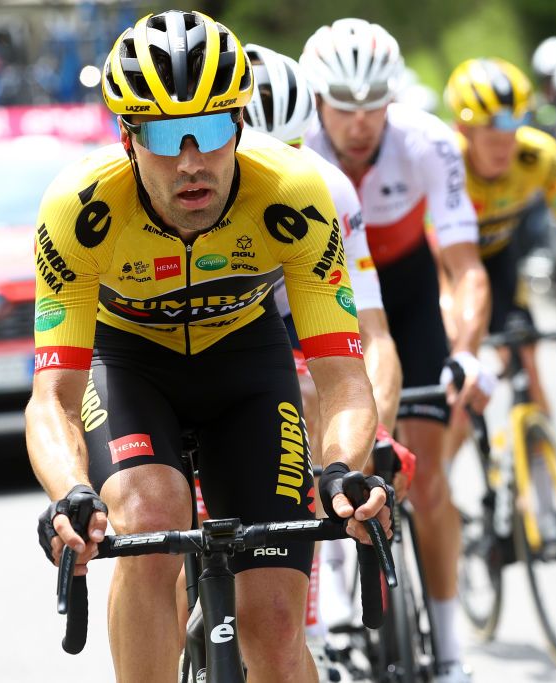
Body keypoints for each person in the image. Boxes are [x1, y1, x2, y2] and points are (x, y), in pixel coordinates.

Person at [29, 10, 391, 682]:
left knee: (278, 627)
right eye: (166, 134)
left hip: (244, 364)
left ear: (242, 125)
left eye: (215, 127)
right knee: (148, 514)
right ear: (127, 135)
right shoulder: (78, 208)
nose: (191, 160)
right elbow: (51, 395)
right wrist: (71, 489)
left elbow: (344, 379)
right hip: (130, 365)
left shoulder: (296, 192)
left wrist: (341, 467)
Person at [300, 18, 493, 683]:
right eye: (344, 106)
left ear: (394, 98)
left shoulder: (427, 141)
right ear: (317, 100)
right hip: (327, 292)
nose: (360, 122)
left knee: (430, 480)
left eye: (373, 104)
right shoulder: (296, 148)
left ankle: (448, 651)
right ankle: (324, 572)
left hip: (406, 293)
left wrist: (465, 351)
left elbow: (465, 265)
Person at [241, 42, 409, 637]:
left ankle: (332, 561)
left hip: (292, 313)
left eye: (292, 153)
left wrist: (375, 435)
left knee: (317, 394)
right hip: (208, 329)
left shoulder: (328, 189)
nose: (278, 175)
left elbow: (373, 335)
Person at [445, 57, 556, 418]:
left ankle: (540, 459)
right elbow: (435, 256)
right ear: (465, 132)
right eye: (492, 137)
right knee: (458, 399)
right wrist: (449, 310)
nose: (503, 149)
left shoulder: (539, 156)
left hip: (498, 259)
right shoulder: (445, 161)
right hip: (444, 266)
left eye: (511, 134)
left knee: (526, 362)